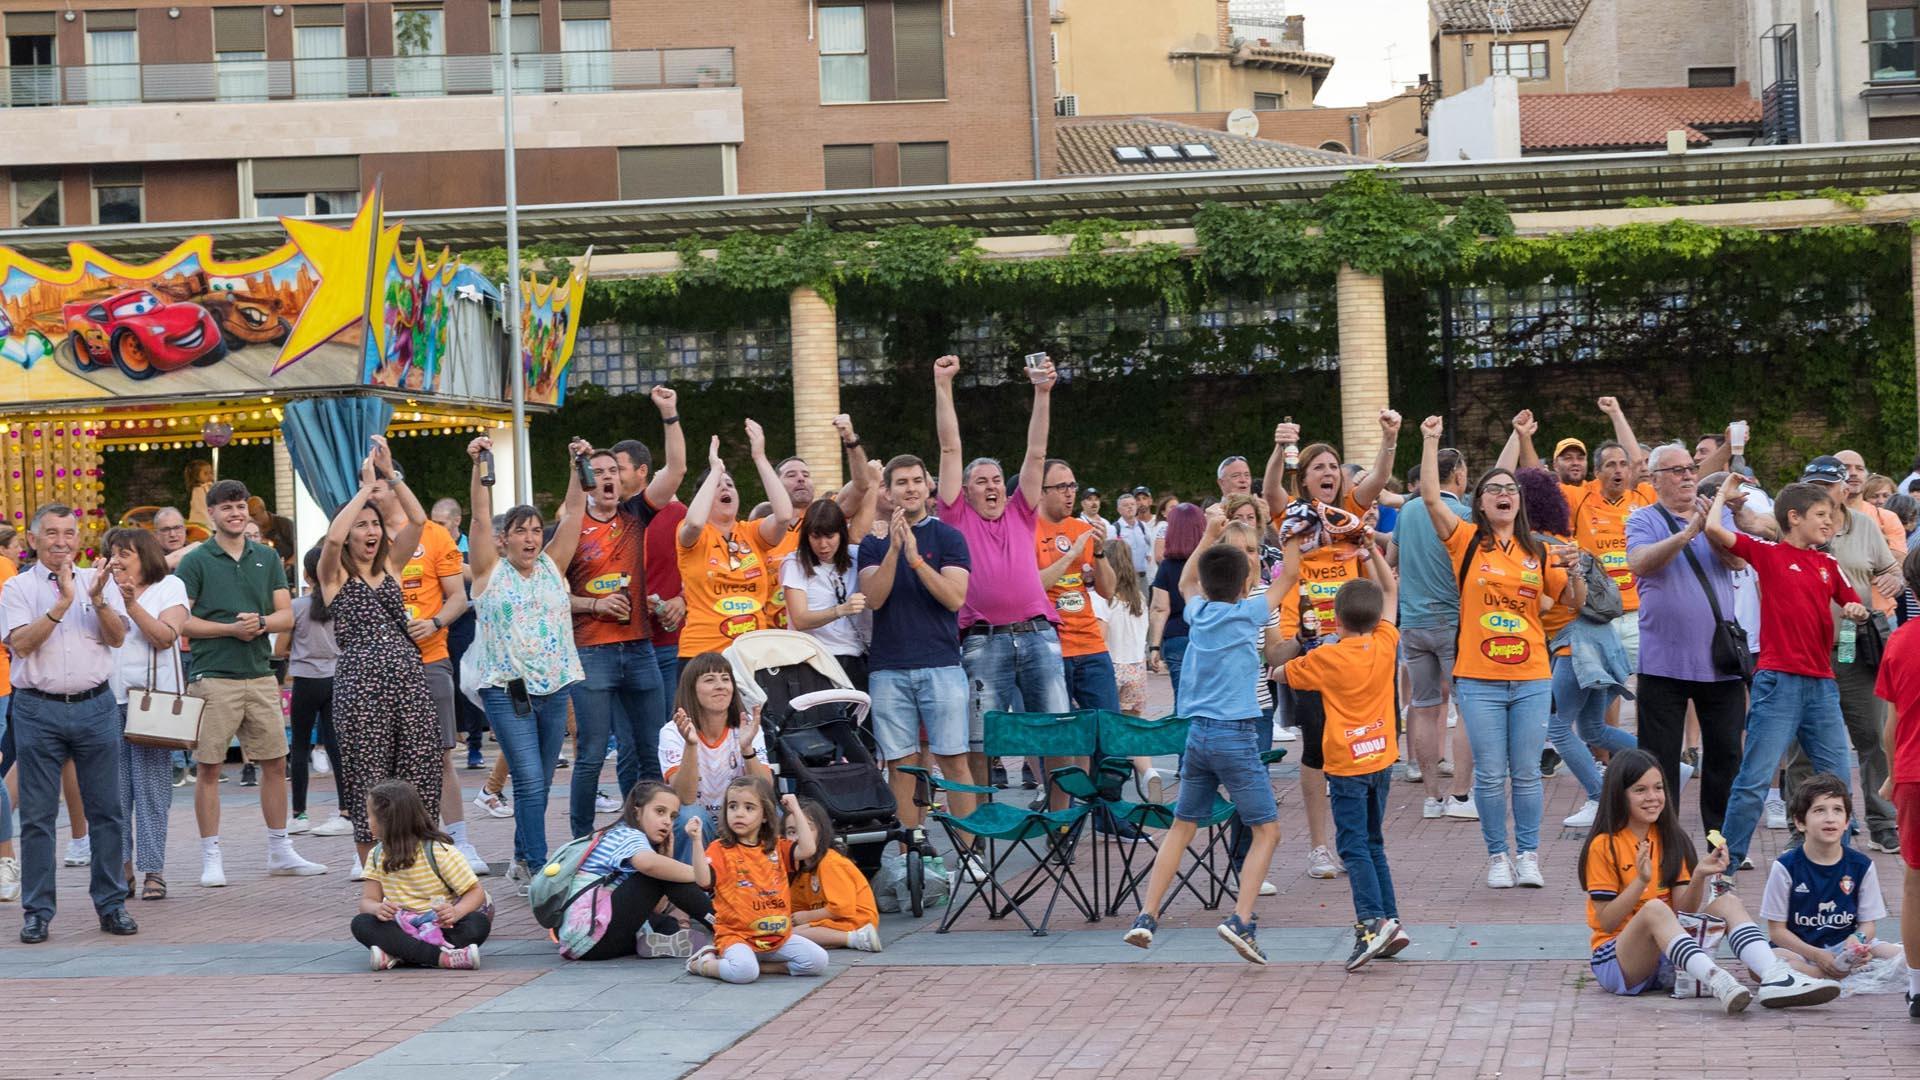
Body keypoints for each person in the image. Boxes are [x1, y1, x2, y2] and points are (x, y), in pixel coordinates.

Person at [1418, 416, 1583, 890]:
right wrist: (1430, 440)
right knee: (1490, 775)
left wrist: (1575, 570)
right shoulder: (1466, 540)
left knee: (1526, 773)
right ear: (1481, 503)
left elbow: (1573, 603)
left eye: (1510, 488)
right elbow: (1430, 498)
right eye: (1493, 489)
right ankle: (1497, 856)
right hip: (1478, 678)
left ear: (1520, 500)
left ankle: (1528, 855)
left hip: (1532, 676)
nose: (1503, 494)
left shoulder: (1539, 550)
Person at [1124, 523, 1288, 963]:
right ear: (1246, 583)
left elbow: (1184, 581)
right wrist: (1295, 537)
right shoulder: (1249, 613)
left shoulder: (1197, 613)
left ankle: (1146, 916)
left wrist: (1208, 534)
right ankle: (1241, 919)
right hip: (1236, 735)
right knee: (1267, 830)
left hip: (1197, 736)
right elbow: (1289, 577)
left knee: (1182, 827)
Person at [1579, 748, 1838, 1011]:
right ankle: (1718, 981)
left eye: (1658, 788)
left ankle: (1777, 977)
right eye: (1640, 790)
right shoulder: (1604, 845)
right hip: (1619, 962)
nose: (1652, 797)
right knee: (1654, 908)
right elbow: (1606, 921)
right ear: (1619, 794)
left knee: (1727, 902)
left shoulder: (1670, 838)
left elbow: (1683, 912)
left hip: (1668, 955)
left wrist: (1699, 876)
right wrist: (1640, 882)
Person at [1704, 481, 1865, 874]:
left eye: (1831, 516)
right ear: (1794, 517)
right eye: (1821, 515)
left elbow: (1854, 602)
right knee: (1754, 781)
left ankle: (1838, 871)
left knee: (1839, 783)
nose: (1829, 522)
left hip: (1822, 686)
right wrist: (1724, 492)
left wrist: (1856, 611)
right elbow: (1713, 529)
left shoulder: (1829, 564)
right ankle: (1725, 869)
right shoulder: (1769, 553)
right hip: (1778, 683)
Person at [933, 353, 1071, 803]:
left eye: (996, 479)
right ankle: (982, 826)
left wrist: (1042, 392)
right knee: (980, 742)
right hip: (983, 640)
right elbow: (950, 449)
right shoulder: (955, 517)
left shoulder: (1021, 511)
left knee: (1056, 733)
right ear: (964, 491)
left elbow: (1037, 453)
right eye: (981, 481)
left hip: (1037, 634)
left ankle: (1061, 821)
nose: (992, 486)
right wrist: (943, 385)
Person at [1267, 413, 1400, 879]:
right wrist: (1279, 447)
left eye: (1334, 466)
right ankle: (1319, 846)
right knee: (1317, 747)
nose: (1328, 473)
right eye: (1318, 467)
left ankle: (1362, 840)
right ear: (1303, 478)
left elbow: (1380, 476)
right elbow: (1269, 490)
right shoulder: (1293, 515)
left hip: (1358, 641)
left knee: (1370, 740)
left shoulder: (1350, 511)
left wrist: (1389, 437)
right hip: (1311, 644)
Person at [177, 479, 323, 886]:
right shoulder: (196, 560)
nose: (235, 513)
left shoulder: (267, 556)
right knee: (209, 767)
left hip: (260, 674)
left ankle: (280, 849)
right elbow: (181, 621)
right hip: (213, 676)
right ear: (211, 514)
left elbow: (286, 616)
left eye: (240, 506)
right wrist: (229, 629)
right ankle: (211, 857)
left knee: (275, 763)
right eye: (226, 507)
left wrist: (259, 623)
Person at [4, 504, 134, 943]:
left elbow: (117, 637)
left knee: (107, 811)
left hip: (95, 705)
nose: (61, 541)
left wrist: (95, 599)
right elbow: (21, 644)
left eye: (69, 533)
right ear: (33, 539)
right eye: (52, 533)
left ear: (79, 538)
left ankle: (112, 905)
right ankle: (37, 912)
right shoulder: (18, 587)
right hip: (37, 708)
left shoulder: (98, 580)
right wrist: (62, 604)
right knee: (38, 816)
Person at [1626, 441, 1767, 843]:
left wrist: (1711, 528)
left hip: (1719, 660)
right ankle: (1662, 842)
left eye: (1690, 468)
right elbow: (1640, 563)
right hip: (1662, 662)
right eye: (1677, 470)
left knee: (1726, 754)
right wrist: (1687, 534)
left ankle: (1719, 841)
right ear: (1655, 480)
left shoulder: (1717, 514)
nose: (1688, 476)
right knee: (1658, 759)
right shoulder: (1644, 519)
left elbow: (1738, 562)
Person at [317, 440, 446, 875]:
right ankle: (377, 878)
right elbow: (333, 538)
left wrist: (391, 476)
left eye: (374, 524)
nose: (370, 532)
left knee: (420, 769)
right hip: (361, 689)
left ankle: (421, 870)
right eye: (362, 525)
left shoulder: (391, 566)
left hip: (408, 681)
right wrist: (363, 491)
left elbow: (419, 520)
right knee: (369, 781)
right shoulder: (333, 575)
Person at [465, 436, 588, 880]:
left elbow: (574, 514)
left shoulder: (553, 566)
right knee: (530, 779)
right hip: (506, 690)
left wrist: (576, 465)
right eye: (521, 530)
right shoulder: (488, 571)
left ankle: (521, 857)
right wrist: (479, 466)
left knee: (542, 780)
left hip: (555, 687)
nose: (531, 537)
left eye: (536, 530)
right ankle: (538, 868)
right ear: (504, 540)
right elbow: (480, 517)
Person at [564, 388, 685, 836]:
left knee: (654, 749)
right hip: (592, 652)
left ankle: (651, 835)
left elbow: (676, 469)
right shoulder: (571, 526)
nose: (608, 478)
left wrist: (669, 414)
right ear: (586, 481)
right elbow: (551, 594)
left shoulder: (636, 514)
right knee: (592, 754)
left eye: (613, 470)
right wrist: (594, 604)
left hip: (639, 650)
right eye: (598, 472)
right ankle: (579, 842)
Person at [1284, 569, 1409, 970]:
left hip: (1345, 763)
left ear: (1336, 619)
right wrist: (1370, 551)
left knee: (1353, 847)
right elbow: (1390, 591)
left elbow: (1284, 672)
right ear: (1376, 618)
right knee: (1373, 843)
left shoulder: (1326, 657)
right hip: (1381, 757)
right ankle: (1391, 921)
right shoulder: (1386, 642)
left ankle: (1370, 924)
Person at [857, 455, 977, 864]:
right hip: (889, 669)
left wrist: (916, 558)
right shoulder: (873, 542)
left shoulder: (949, 537)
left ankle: (970, 855)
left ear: (928, 487)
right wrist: (894, 550)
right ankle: (912, 858)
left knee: (954, 760)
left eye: (916, 481)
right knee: (901, 766)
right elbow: (874, 598)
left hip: (941, 665)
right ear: (888, 491)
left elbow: (954, 597)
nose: (910, 488)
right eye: (901, 483)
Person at [1793, 456, 1901, 853]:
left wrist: (1893, 577)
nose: (1822, 492)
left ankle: (1882, 822)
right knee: (1803, 745)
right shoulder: (1793, 526)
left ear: (1844, 489)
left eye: (1828, 485)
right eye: (1814, 485)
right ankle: (1803, 824)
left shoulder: (1865, 525)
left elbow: (1890, 568)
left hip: (1855, 647)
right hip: (1807, 649)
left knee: (1872, 736)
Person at [1515, 468, 1624, 831]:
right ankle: (1668, 766)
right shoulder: (1564, 540)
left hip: (1573, 646)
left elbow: (1546, 602)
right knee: (1594, 728)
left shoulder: (1534, 547)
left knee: (1559, 729)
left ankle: (1599, 797)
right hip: (1601, 640)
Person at [382, 478, 479, 868]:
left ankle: (461, 841)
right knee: (386, 759)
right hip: (383, 666)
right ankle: (391, 847)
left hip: (430, 657)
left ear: (396, 488)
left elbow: (458, 597)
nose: (370, 492)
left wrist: (435, 621)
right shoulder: (363, 537)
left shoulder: (435, 535)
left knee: (441, 754)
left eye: (377, 485)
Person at [1391, 440, 1476, 820]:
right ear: (1458, 474)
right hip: (1453, 622)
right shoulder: (1463, 513)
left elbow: (1392, 558)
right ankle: (1461, 794)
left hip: (1412, 622)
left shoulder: (1408, 510)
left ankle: (1431, 797)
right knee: (1467, 707)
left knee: (1423, 708)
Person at [103, 528, 187, 903]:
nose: (116, 560)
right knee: (114, 793)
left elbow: (165, 636)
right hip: (107, 699)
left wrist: (131, 604)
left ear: (146, 556)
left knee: (152, 790)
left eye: (125, 553)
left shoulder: (170, 586)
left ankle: (154, 870)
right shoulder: (102, 588)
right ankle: (122, 869)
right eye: (113, 553)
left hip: (153, 702)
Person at [684, 779, 831, 984]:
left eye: (749, 807)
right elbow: (702, 880)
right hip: (737, 937)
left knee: (818, 961)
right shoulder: (720, 849)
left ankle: (763, 968)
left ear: (765, 815)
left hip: (778, 938)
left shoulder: (776, 846)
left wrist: (795, 810)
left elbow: (808, 849)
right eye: (732, 806)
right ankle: (703, 963)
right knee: (743, 973)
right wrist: (696, 841)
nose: (739, 813)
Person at [1759, 773, 1902, 980]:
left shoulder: (1862, 865)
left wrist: (1857, 939)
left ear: (1846, 822)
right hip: (1800, 950)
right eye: (1819, 810)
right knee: (1761, 964)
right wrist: (1817, 955)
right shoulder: (1785, 867)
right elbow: (1777, 932)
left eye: (1838, 810)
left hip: (1844, 947)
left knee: (1902, 955)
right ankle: (1823, 975)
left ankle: (1835, 972)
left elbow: (1868, 924)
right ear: (1800, 822)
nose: (1830, 818)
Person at [677, 423, 795, 656]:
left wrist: (759, 457)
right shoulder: (692, 531)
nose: (726, 488)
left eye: (730, 485)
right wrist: (715, 470)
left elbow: (783, 515)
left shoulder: (751, 532)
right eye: (717, 486)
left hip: (753, 653)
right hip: (704, 654)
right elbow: (695, 522)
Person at [351, 779, 490, 971]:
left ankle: (398, 953)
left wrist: (456, 912)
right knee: (362, 923)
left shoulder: (438, 851)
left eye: (370, 816)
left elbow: (475, 892)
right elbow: (368, 900)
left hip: (439, 926)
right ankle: (443, 958)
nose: (368, 821)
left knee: (477, 923)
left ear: (388, 821)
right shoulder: (377, 854)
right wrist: (377, 909)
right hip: (401, 925)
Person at [569, 780, 716, 961]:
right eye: (660, 811)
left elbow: (656, 907)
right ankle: (723, 924)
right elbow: (650, 866)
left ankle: (655, 940)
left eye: (672, 816)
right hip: (590, 936)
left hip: (596, 941)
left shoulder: (636, 842)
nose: (667, 821)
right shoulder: (625, 834)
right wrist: (703, 874)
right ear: (636, 812)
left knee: (666, 922)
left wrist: (667, 858)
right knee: (663, 874)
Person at [1036, 458, 1118, 770]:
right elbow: (1033, 586)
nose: (1069, 493)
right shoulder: (1027, 530)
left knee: (1109, 732)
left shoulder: (1083, 530)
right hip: (1050, 649)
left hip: (1091, 645)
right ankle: (1062, 801)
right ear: (1041, 491)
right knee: (1059, 739)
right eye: (1061, 487)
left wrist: (1098, 552)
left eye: (1072, 485)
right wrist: (1070, 554)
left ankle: (1108, 802)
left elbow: (1108, 591)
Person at [660, 652, 773, 861]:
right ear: (691, 689)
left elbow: (765, 790)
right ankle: (691, 881)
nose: (720, 686)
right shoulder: (673, 731)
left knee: (776, 813)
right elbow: (684, 798)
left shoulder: (746, 725)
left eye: (725, 679)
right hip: (699, 821)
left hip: (738, 817)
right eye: (710, 680)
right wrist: (691, 745)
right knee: (690, 816)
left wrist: (747, 748)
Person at [1871, 543, 1920, 1017]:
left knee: (1914, 884)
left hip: (1912, 772)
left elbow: (1891, 725)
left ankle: (1917, 986)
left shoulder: (1901, 641)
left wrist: (1890, 775)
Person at [284, 547, 350, 839]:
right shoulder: (344, 603)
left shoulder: (297, 606)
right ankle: (345, 810)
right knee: (336, 745)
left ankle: (299, 814)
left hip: (305, 678)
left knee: (300, 746)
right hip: (336, 677)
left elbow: (280, 646)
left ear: (306, 575)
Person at [781, 499, 871, 689]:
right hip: (814, 661)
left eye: (830, 536)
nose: (823, 545)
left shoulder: (857, 555)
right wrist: (840, 610)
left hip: (857, 657)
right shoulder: (795, 562)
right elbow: (800, 619)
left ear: (842, 533)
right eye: (815, 537)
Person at [1102, 537, 1163, 800]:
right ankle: (1148, 772)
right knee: (1132, 728)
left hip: (1111, 666)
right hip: (1136, 669)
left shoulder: (1106, 599)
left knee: (1106, 729)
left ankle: (1109, 779)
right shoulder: (1138, 598)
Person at [786, 796, 882, 952]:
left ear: (822, 831)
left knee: (793, 936)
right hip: (832, 921)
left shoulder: (830, 862)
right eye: (791, 832)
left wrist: (807, 917)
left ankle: (857, 938)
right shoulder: (802, 870)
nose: (799, 837)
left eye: (807, 829)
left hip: (856, 920)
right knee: (785, 933)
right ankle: (834, 939)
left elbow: (842, 908)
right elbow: (795, 908)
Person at [1146, 503, 1205, 710]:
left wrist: (1154, 647)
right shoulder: (1210, 563)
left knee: (1183, 700)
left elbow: (1160, 609)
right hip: (1207, 636)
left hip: (1176, 638)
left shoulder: (1166, 567)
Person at [246, 496, 297, 584]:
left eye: (254, 515)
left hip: (288, 576)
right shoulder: (249, 528)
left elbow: (300, 549)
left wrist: (286, 565)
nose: (251, 519)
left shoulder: (284, 524)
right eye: (249, 516)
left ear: (263, 510)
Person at [1114, 493, 1153, 578]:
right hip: (1124, 577)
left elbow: (1152, 544)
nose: (1130, 507)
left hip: (1144, 576)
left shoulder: (1143, 526)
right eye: (1126, 505)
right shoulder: (1114, 529)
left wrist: (1149, 554)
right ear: (1119, 510)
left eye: (1132, 504)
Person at [184, 460, 214, 530]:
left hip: (206, 524)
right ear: (196, 476)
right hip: (201, 524)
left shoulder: (207, 487)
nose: (210, 476)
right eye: (206, 473)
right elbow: (202, 509)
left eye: (211, 473)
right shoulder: (198, 490)